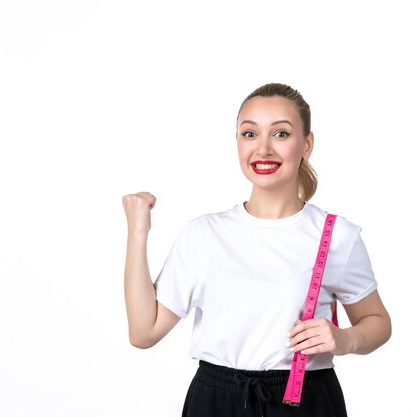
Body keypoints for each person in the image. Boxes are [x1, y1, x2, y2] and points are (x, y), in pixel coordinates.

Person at [121, 83, 391, 417]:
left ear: (306, 144)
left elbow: (377, 321)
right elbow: (144, 333)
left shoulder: (336, 235)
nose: (263, 149)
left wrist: (345, 339)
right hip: (215, 402)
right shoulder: (203, 235)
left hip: (307, 401)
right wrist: (138, 232)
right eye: (249, 134)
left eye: (280, 134)